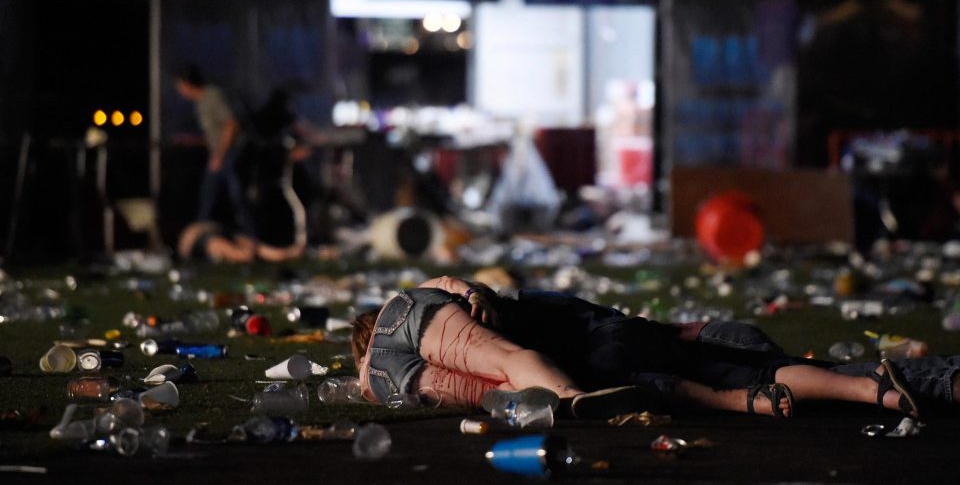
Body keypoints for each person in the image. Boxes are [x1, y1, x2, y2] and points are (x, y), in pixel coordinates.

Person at [351, 276, 960, 420]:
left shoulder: (390, 365)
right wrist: (475, 291)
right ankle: (879, 383)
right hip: (627, 344)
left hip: (617, 371)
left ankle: (749, 402)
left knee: (715, 385)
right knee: (752, 357)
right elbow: (456, 288)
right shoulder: (508, 309)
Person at [175, 65, 255, 235]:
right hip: (219, 155)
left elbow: (232, 124)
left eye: (180, 86)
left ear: (187, 83)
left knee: (237, 195)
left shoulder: (212, 96)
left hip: (230, 154)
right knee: (208, 195)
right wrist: (194, 141)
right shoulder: (200, 103)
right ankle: (202, 237)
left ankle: (250, 236)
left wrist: (219, 155)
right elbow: (215, 132)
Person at [176, 221, 304, 264]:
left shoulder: (226, 237)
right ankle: (289, 253)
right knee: (247, 252)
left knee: (255, 248)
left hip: (207, 231)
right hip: (200, 239)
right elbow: (245, 256)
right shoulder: (214, 242)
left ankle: (290, 252)